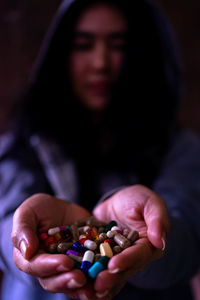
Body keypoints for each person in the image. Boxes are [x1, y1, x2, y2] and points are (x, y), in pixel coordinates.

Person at [1, 0, 200, 299]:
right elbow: (5, 222)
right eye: (83, 45)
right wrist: (20, 241)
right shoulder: (19, 147)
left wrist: (155, 237)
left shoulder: (181, 148)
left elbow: (188, 237)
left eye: (119, 45)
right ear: (61, 55)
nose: (100, 63)